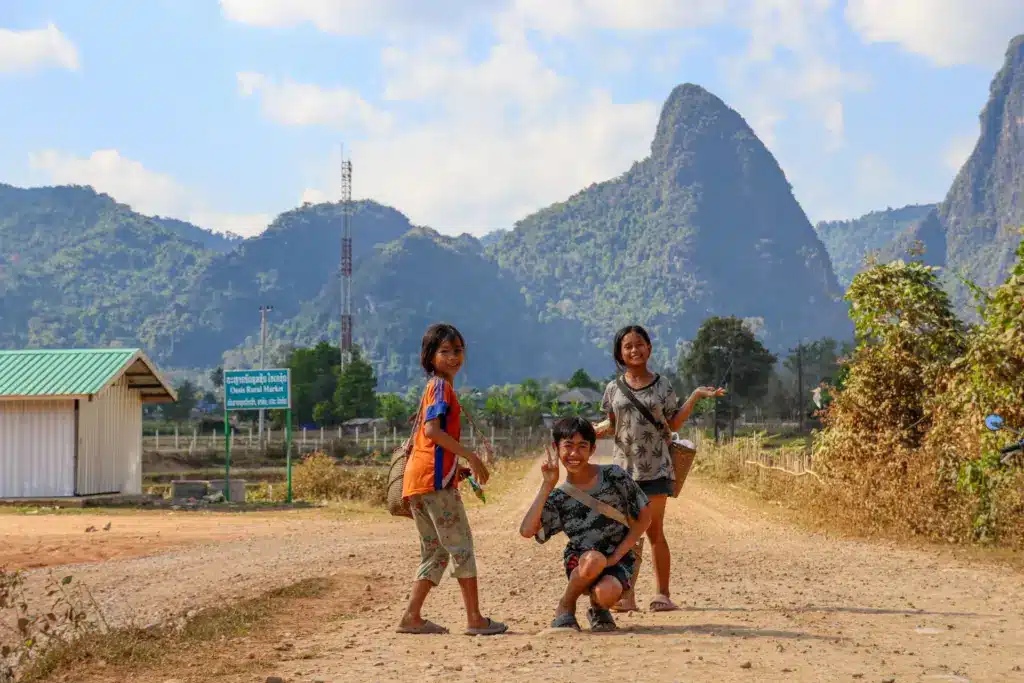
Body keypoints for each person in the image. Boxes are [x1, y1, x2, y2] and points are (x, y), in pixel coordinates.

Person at [595, 324, 725, 613]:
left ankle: (662, 595)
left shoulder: (663, 385)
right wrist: (590, 431)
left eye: (639, 344)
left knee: (654, 532)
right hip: (623, 472)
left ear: (649, 348)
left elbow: (673, 423)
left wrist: (694, 397)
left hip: (655, 469)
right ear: (619, 353)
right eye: (627, 346)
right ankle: (626, 596)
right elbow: (613, 425)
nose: (634, 350)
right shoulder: (613, 389)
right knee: (627, 533)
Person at [396, 323, 508, 636]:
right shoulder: (441, 387)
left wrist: (455, 468)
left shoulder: (433, 386)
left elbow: (428, 440)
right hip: (433, 483)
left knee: (435, 551)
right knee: (461, 547)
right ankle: (474, 619)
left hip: (417, 482)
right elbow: (432, 432)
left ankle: (412, 616)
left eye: (457, 350)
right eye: (444, 351)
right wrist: (470, 456)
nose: (453, 357)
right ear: (430, 357)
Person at [519, 416, 652, 632]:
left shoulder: (614, 476)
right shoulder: (559, 497)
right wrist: (547, 485)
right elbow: (527, 531)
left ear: (592, 450)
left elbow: (645, 517)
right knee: (593, 560)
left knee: (605, 592)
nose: (574, 454)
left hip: (617, 560)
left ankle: (599, 610)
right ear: (556, 448)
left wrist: (617, 555)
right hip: (580, 562)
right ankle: (566, 605)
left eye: (582, 446)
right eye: (568, 446)